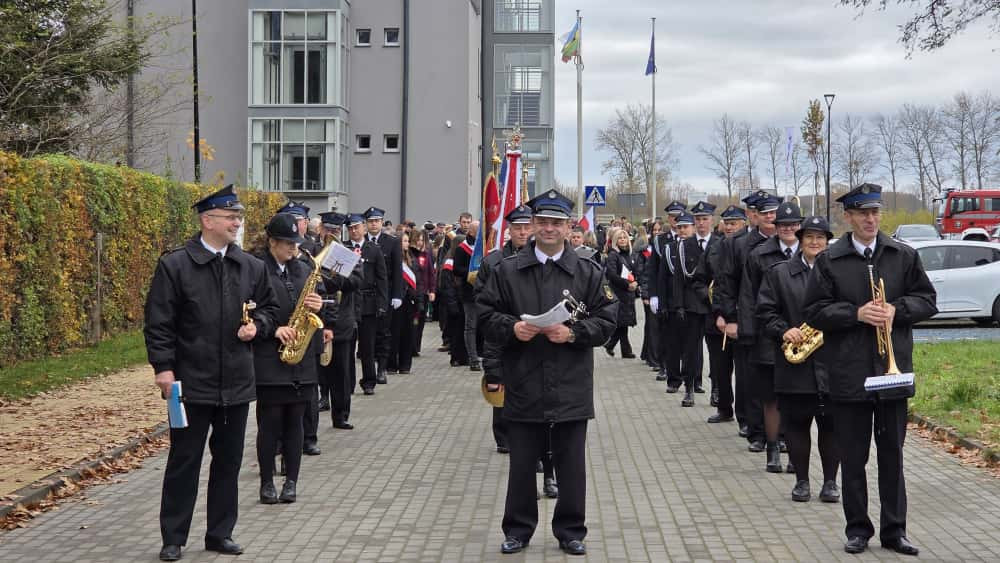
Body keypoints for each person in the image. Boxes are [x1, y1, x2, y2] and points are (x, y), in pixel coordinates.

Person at [478, 190, 617, 556]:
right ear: (533, 225)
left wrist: (573, 333)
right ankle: (518, 530)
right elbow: (484, 316)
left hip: (570, 381)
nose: (549, 229)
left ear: (569, 226)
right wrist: (512, 328)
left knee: (571, 465)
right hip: (524, 380)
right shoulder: (506, 270)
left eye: (557, 223)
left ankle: (571, 530)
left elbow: (607, 321)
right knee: (522, 464)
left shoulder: (588, 270)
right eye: (543, 222)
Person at [144, 185, 279, 561]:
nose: (237, 222)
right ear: (207, 220)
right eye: (229, 216)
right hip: (190, 382)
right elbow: (159, 322)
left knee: (229, 462)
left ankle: (220, 533)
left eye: (238, 216)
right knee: (184, 462)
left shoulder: (251, 266)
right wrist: (164, 368)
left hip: (236, 381)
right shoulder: (175, 265)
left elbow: (269, 309)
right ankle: (174, 537)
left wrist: (260, 327)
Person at [804, 183, 936, 556]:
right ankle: (858, 529)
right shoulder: (831, 260)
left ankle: (895, 531)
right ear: (848, 217)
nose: (870, 219)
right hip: (850, 375)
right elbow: (813, 310)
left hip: (893, 375)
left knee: (892, 454)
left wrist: (898, 310)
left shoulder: (902, 255)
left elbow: (927, 300)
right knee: (854, 457)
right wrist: (856, 313)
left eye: (875, 212)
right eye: (862, 213)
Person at [476, 204, 559, 503]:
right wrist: (493, 369)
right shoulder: (495, 263)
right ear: (508, 229)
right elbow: (487, 318)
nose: (523, 232)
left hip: (549, 355)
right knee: (522, 431)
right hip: (514, 355)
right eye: (517, 227)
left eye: (527, 226)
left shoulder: (548, 260)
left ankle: (550, 475)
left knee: (551, 424)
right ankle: (525, 490)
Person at [756, 215, 841, 503]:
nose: (815, 242)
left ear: (828, 242)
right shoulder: (778, 273)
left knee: (831, 426)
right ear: (800, 241)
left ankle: (831, 482)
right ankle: (802, 481)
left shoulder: (840, 271)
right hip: (795, 363)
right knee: (796, 425)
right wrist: (784, 330)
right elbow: (765, 312)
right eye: (809, 238)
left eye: (821, 238)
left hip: (832, 362)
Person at [251, 213, 328, 505]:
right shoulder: (257, 269)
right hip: (270, 356)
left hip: (301, 355)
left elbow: (317, 299)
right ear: (272, 242)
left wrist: (318, 304)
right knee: (269, 422)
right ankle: (267, 482)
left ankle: (292, 481)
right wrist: (273, 329)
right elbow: (249, 308)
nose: (293, 249)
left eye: (295, 243)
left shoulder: (303, 269)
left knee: (296, 421)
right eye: (287, 244)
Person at [742, 200, 802, 472]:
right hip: (768, 336)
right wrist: (748, 335)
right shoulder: (759, 255)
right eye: (783, 225)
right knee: (771, 398)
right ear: (775, 227)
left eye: (793, 225)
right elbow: (748, 297)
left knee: (796, 398)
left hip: (803, 339)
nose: (788, 229)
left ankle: (794, 451)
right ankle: (772, 449)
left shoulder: (811, 252)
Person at [717, 192, 777, 449]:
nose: (770, 219)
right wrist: (729, 317)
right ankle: (757, 431)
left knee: (780, 381)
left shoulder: (789, 242)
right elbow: (727, 283)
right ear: (753, 216)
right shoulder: (739, 244)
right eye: (764, 214)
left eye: (773, 214)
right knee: (750, 379)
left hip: (780, 322)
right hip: (748, 319)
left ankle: (780, 433)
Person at [697, 205, 746, 423]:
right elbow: (699, 279)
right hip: (716, 319)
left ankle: (746, 418)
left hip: (743, 319)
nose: (730, 227)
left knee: (745, 373)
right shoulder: (714, 247)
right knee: (720, 368)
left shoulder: (750, 246)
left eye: (734, 223)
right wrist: (712, 304)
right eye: (727, 223)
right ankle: (724, 408)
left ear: (744, 224)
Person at [316, 212, 363, 430]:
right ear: (320, 229)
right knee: (317, 369)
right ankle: (321, 400)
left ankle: (341, 414)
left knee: (341, 372)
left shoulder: (346, 253)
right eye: (328, 229)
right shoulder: (310, 251)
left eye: (335, 230)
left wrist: (334, 278)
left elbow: (357, 280)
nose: (331, 233)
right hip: (315, 319)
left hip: (341, 322)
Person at [672, 202, 718, 407]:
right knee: (690, 351)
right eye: (698, 219)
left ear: (712, 221)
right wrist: (679, 305)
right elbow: (679, 278)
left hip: (714, 306)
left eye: (705, 219)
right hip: (692, 305)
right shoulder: (685, 245)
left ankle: (717, 390)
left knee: (717, 353)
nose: (701, 223)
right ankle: (689, 389)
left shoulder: (720, 243)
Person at [346, 213, 388, 395]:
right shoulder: (343, 248)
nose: (354, 231)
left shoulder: (373, 249)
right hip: (348, 302)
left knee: (367, 346)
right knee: (347, 346)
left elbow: (382, 277)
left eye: (356, 227)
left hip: (368, 302)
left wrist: (382, 303)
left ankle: (369, 381)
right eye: (350, 228)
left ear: (363, 228)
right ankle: (347, 383)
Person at [364, 207, 402, 385]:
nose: (374, 224)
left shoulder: (392, 242)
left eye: (377, 221)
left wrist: (397, 295)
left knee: (384, 333)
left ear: (381, 222)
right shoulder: (361, 242)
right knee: (368, 337)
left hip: (385, 293)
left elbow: (397, 270)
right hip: (365, 296)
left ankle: (382, 368)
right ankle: (370, 368)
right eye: (371, 221)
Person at [386, 231, 420, 374]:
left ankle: (405, 365)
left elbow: (418, 280)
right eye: (402, 241)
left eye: (406, 241)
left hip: (409, 301)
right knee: (394, 333)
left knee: (408, 333)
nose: (405, 244)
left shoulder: (412, 259)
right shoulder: (392, 259)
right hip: (395, 300)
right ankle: (391, 364)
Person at [451, 221, 482, 371]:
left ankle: (483, 354)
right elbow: (456, 269)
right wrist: (472, 272)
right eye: (478, 230)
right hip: (469, 293)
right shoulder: (462, 249)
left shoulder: (484, 246)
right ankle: (473, 358)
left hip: (485, 292)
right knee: (471, 326)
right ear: (471, 232)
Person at [603, 227, 638, 358]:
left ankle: (619, 348)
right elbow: (611, 274)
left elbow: (634, 271)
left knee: (623, 323)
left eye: (624, 238)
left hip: (629, 293)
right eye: (620, 238)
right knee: (622, 322)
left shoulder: (629, 254)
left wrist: (635, 282)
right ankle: (614, 345)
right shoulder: (613, 255)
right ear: (615, 241)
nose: (623, 240)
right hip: (619, 292)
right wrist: (626, 284)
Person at [408, 228, 436, 356]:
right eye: (417, 239)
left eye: (421, 240)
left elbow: (431, 273)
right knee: (413, 321)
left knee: (421, 322)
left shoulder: (425, 254)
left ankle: (416, 346)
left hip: (423, 293)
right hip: (412, 293)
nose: (419, 242)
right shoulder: (408, 254)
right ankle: (411, 346)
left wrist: (432, 290)